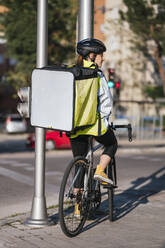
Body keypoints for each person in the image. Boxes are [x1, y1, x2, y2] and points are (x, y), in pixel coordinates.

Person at [70, 38, 118, 216]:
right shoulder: (96, 75)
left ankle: (77, 208)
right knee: (112, 143)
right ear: (91, 55)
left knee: (79, 163)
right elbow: (106, 102)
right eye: (101, 55)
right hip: (93, 124)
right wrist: (104, 119)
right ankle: (100, 170)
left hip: (73, 127)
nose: (103, 59)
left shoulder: (70, 73)